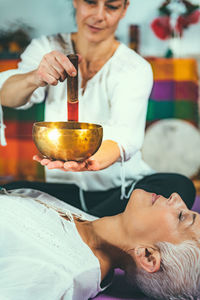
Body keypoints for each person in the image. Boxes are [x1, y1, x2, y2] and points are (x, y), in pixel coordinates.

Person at [0, 0, 196, 216]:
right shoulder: (46, 47)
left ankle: (79, 227)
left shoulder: (134, 67)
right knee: (7, 193)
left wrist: (88, 161)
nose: (99, 15)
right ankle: (99, 227)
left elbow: (126, 136)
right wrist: (35, 76)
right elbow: (7, 95)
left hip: (120, 192)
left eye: (111, 6)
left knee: (179, 186)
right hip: (63, 191)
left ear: (124, 9)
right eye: (91, 3)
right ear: (76, 1)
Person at [0, 186, 200, 300]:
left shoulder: (55, 275)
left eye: (181, 216)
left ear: (147, 255)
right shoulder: (87, 223)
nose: (177, 197)